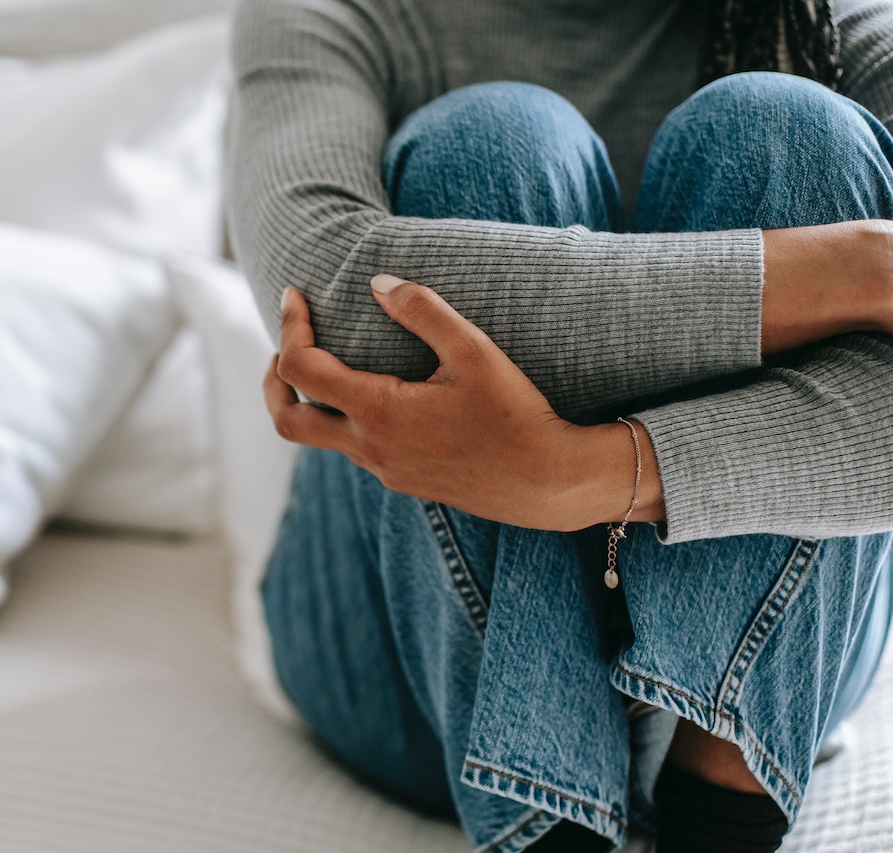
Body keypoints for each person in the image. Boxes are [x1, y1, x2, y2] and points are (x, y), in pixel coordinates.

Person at [225, 0, 893, 851]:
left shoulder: (831, 16)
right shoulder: (336, 12)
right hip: (402, 663)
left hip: (770, 668)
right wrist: (858, 268)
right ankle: (548, 828)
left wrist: (587, 473)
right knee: (491, 141)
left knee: (796, 131)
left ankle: (721, 810)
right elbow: (334, 306)